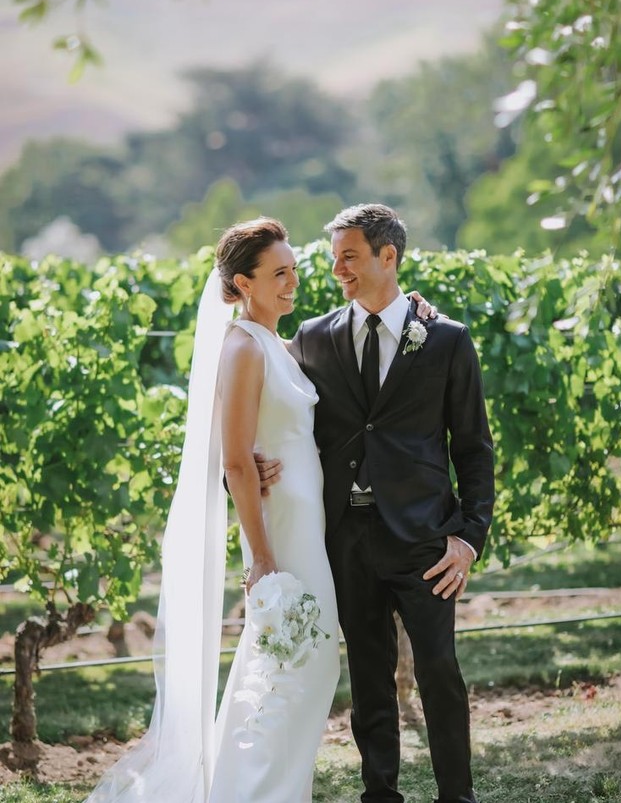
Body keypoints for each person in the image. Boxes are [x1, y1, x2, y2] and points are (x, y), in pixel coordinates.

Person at [83, 217, 340, 803]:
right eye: (278, 273)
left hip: (306, 529)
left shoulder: (275, 342)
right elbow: (236, 462)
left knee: (292, 670)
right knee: (292, 668)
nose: (292, 282)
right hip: (280, 538)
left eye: (293, 269)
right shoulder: (243, 346)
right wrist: (264, 559)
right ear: (244, 283)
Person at [259, 203, 495, 803]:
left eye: (350, 257)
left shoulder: (445, 340)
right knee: (368, 677)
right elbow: (271, 408)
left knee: (440, 671)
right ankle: (379, 794)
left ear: (389, 258)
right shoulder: (312, 337)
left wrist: (468, 537)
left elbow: (473, 447)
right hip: (346, 539)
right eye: (334, 257)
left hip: (425, 540)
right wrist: (252, 461)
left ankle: (457, 796)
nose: (337, 269)